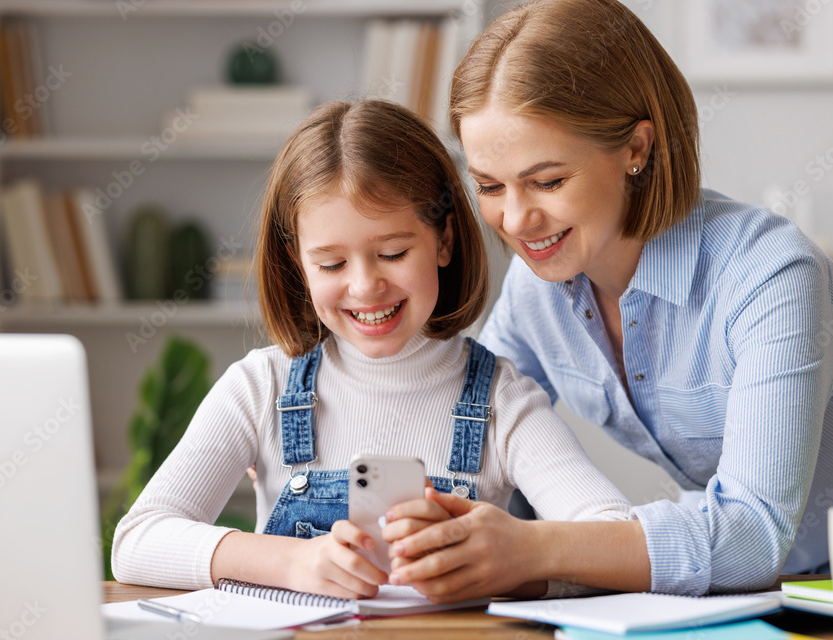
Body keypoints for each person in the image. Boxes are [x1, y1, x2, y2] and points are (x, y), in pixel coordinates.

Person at [385, 0, 833, 600]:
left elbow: (752, 536)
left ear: (636, 148)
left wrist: (533, 547)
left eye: (548, 181)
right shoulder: (540, 290)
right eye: (489, 186)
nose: (517, 218)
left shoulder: (772, 275)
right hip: (797, 587)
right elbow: (466, 444)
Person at [111, 99, 633, 600]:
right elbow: (137, 542)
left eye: (392, 253)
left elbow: (618, 543)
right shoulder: (260, 388)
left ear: (444, 240)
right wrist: (293, 562)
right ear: (298, 263)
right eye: (331, 264)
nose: (365, 287)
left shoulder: (503, 401)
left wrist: (504, 565)